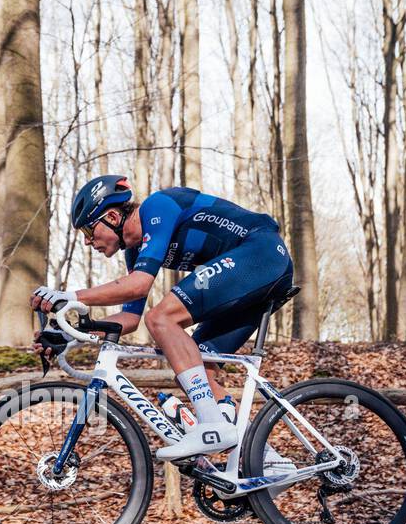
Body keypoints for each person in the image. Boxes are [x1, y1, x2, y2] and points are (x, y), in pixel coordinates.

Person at [30, 175, 294, 459]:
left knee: (161, 318)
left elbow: (139, 285)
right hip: (252, 275)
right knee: (196, 371)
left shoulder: (158, 206)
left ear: (113, 216)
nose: (86, 242)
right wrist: (69, 332)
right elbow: (129, 320)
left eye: (89, 230)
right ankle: (268, 462)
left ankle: (214, 426)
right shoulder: (135, 253)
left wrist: (71, 296)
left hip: (260, 254)